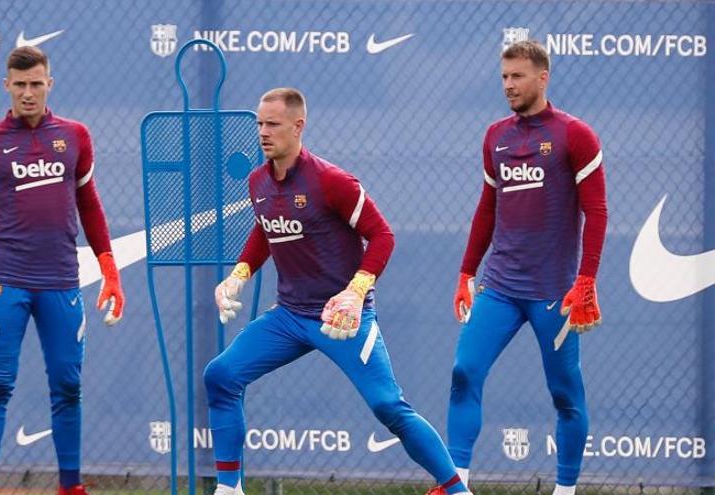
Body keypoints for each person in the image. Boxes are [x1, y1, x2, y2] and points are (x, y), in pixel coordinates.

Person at [204, 88, 472, 495]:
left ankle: (455, 489)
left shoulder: (331, 181)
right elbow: (265, 228)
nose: (263, 132)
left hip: (343, 318)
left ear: (298, 126)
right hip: (289, 316)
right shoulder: (257, 180)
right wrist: (238, 274)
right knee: (221, 375)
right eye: (259, 123)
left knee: (388, 406)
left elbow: (382, 235)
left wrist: (354, 293)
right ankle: (228, 489)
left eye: (272, 124)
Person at [0, 46, 125, 495]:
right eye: (20, 84)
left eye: (36, 83)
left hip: (62, 280)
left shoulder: (76, 136)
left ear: (50, 84)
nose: (28, 93)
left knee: (67, 384)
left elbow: (90, 203)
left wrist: (109, 267)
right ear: (7, 85)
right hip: (5, 280)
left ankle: (70, 486)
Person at [448, 40, 607, 495]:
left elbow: (597, 212)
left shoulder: (575, 135)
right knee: (464, 372)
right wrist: (465, 273)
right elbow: (486, 208)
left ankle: (565, 490)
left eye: (517, 76)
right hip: (499, 287)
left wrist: (587, 280)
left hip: (554, 293)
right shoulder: (495, 135)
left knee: (565, 395)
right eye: (503, 77)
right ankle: (457, 483)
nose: (509, 85)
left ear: (543, 78)